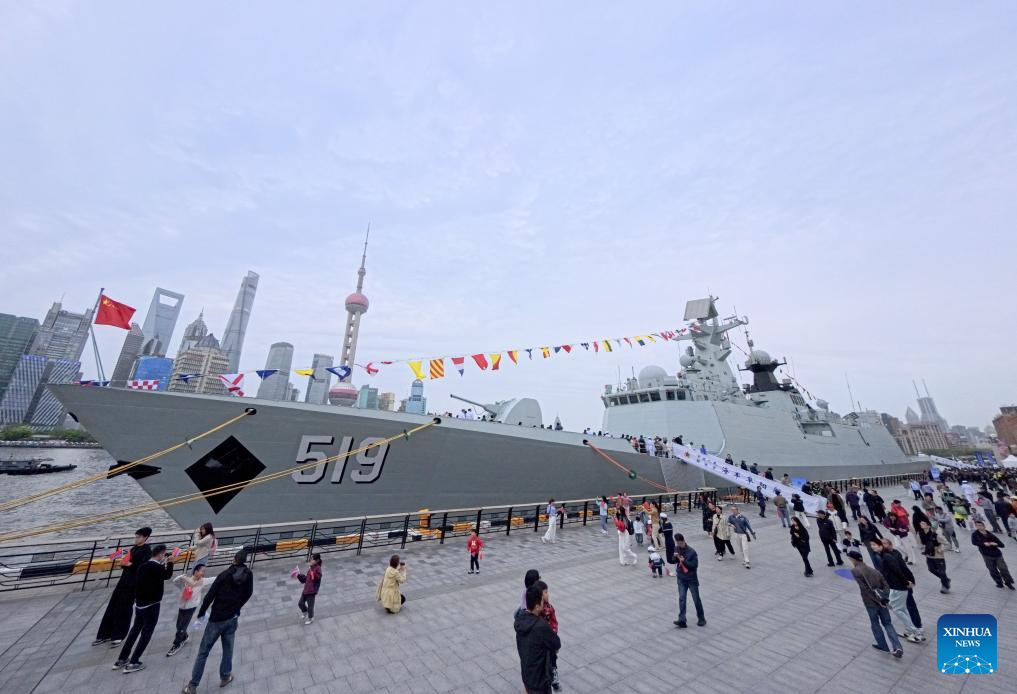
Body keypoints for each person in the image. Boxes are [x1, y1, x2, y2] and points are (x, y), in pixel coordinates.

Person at [182, 549, 254, 694]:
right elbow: (249, 593)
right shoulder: (248, 574)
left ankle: (192, 685)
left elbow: (209, 596)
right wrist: (238, 606)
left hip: (216, 618)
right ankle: (225, 676)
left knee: (203, 652)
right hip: (232, 617)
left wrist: (201, 613)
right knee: (228, 650)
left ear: (234, 559)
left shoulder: (224, 575)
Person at [113, 543, 174, 673]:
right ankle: (134, 661)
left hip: (139, 604)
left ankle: (122, 659)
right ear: (161, 554)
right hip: (152, 605)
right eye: (164, 554)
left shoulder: (142, 566)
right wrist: (170, 562)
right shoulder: (157, 568)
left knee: (134, 631)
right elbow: (167, 575)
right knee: (146, 633)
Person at [93, 527, 153, 646]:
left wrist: (129, 564)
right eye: (136, 537)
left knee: (125, 609)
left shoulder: (147, 551)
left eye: (138, 537)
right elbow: (127, 563)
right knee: (112, 606)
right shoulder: (134, 548)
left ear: (145, 537)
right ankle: (104, 634)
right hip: (123, 581)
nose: (136, 539)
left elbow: (141, 568)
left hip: (133, 584)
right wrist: (125, 563)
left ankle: (118, 635)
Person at [847, 550, 903, 658]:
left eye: (850, 559)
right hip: (883, 602)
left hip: (870, 602)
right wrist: (884, 600)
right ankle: (897, 647)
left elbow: (865, 589)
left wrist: (878, 601)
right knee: (888, 623)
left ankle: (883, 646)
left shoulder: (855, 571)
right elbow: (886, 586)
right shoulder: (875, 571)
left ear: (854, 559)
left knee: (875, 623)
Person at [873, 541, 925, 643]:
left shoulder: (890, 556)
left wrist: (909, 582)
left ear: (889, 545)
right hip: (897, 586)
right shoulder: (885, 556)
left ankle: (916, 631)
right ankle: (911, 630)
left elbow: (901, 570)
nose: (873, 547)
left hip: (899, 586)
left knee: (899, 608)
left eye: (876, 544)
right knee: (902, 608)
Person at [514, 584, 561, 694]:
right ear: (537, 606)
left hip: (526, 672)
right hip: (540, 678)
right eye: (541, 601)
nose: (543, 604)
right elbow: (556, 643)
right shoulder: (541, 626)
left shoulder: (520, 619)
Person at [167, 565, 207, 657]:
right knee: (178, 625)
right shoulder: (186, 581)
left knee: (182, 626)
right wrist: (182, 577)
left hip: (191, 607)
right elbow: (175, 581)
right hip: (182, 606)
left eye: (204, 571)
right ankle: (184, 637)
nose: (203, 573)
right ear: (196, 571)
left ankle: (177, 644)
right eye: (202, 571)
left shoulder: (202, 581)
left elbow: (215, 579)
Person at [672, 533, 706, 628]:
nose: (678, 545)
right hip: (681, 578)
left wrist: (684, 561)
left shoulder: (692, 552)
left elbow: (694, 566)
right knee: (682, 599)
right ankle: (682, 620)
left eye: (680, 543)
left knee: (696, 599)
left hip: (691, 579)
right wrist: (675, 557)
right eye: (677, 543)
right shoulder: (676, 548)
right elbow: (673, 560)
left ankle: (701, 618)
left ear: (683, 541)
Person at [533, 580, 562, 691]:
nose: (548, 594)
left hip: (549, 638)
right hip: (540, 640)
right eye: (545, 592)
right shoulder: (536, 610)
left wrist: (554, 631)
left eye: (547, 592)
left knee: (552, 657)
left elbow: (554, 621)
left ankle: (554, 674)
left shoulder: (550, 608)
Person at [970, 520, 1015, 589]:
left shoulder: (990, 535)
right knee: (992, 570)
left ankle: (1008, 582)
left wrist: (995, 544)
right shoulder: (975, 534)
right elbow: (974, 542)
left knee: (1003, 569)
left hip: (997, 554)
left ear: (984, 526)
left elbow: (1002, 545)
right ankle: (999, 583)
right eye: (977, 526)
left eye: (980, 525)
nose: (979, 527)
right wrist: (983, 544)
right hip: (987, 555)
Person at [916, 520, 950, 594]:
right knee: (931, 569)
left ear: (928, 526)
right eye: (920, 523)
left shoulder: (936, 535)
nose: (921, 524)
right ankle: (946, 579)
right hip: (929, 556)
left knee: (942, 572)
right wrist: (923, 548)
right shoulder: (920, 534)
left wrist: (941, 549)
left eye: (923, 523)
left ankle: (945, 586)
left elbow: (948, 544)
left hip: (938, 557)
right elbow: (919, 544)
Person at [296, 553, 323, 624]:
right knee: (300, 603)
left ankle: (310, 618)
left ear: (317, 560)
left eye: (312, 559)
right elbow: (306, 579)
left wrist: (312, 571)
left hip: (311, 591)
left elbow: (317, 578)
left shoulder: (318, 568)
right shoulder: (311, 567)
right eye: (311, 558)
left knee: (310, 606)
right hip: (306, 589)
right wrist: (299, 575)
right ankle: (305, 611)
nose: (310, 560)